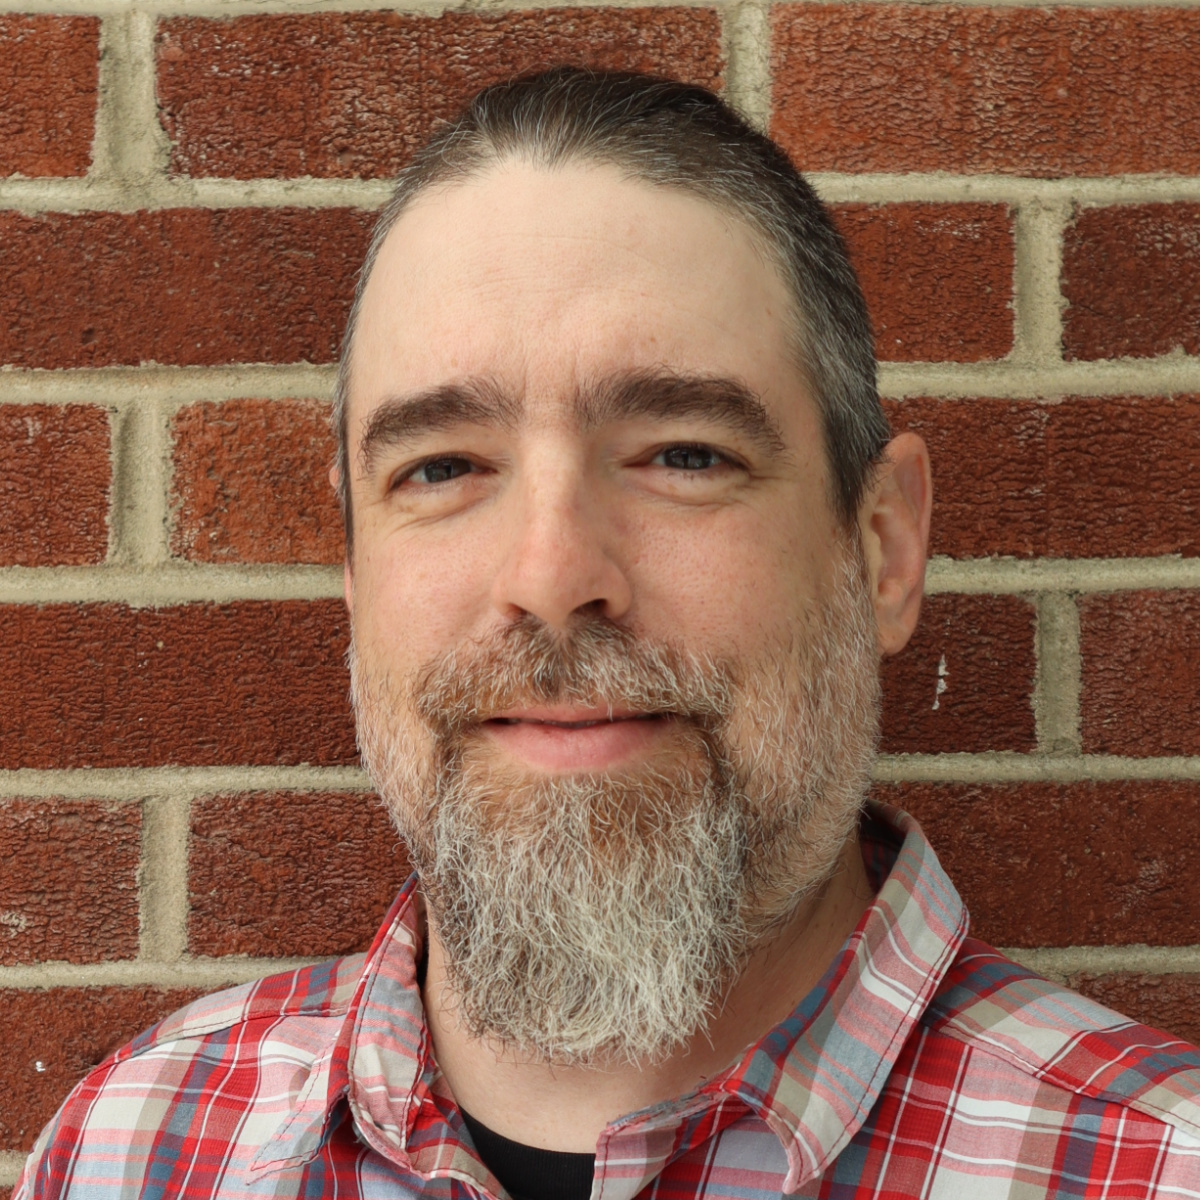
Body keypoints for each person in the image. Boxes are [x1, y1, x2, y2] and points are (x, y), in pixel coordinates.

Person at [17, 68, 1200, 1200]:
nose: (551, 577)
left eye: (683, 454)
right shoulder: (134, 1150)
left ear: (882, 549)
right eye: (443, 467)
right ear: (356, 568)